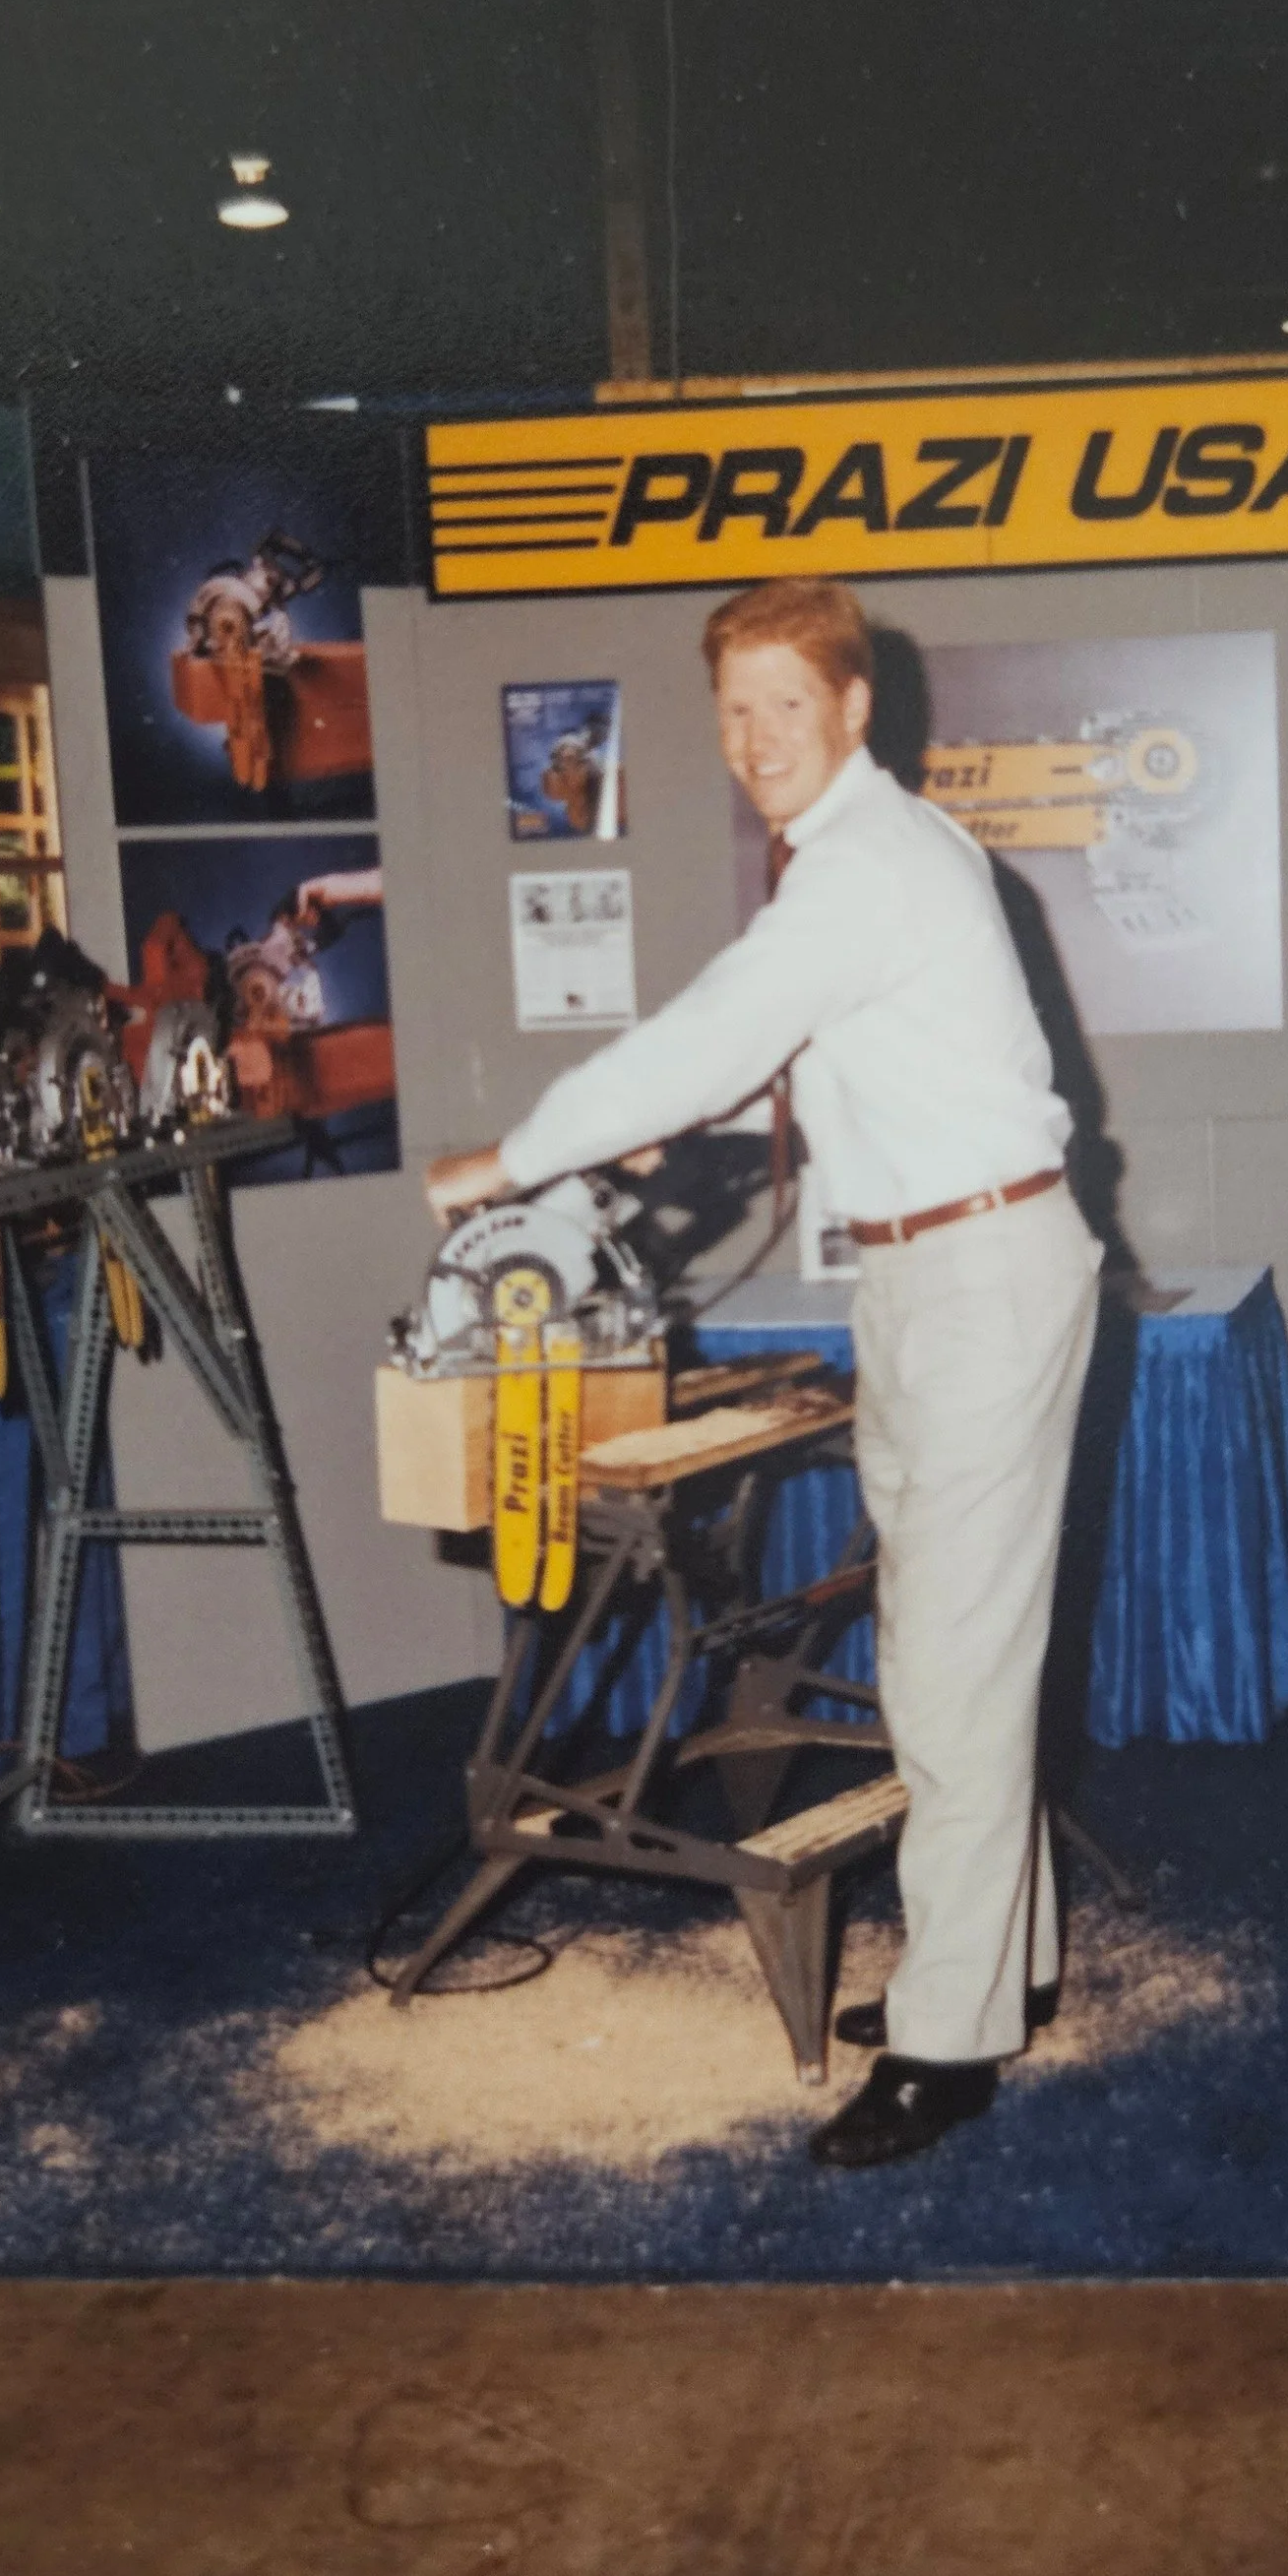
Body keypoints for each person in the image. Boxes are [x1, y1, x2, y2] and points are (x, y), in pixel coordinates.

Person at [425, 577, 1102, 2170]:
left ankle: (951, 2046)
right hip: (940, 1270)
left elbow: (719, 1028)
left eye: (784, 705)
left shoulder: (864, 864)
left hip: (981, 1278)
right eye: (731, 710)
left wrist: (510, 1160)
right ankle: (1005, 1965)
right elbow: (814, 1056)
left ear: (855, 710)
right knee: (967, 1639)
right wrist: (696, 1125)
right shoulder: (878, 857)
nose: (753, 740)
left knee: (949, 1661)